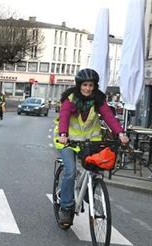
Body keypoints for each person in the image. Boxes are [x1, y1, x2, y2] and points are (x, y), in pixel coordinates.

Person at [54, 68, 129, 224]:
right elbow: (64, 117)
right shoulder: (70, 98)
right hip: (68, 141)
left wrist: (120, 133)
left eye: (91, 85)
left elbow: (109, 116)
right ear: (79, 85)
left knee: (95, 168)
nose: (88, 88)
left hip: (90, 142)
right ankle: (66, 207)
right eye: (85, 85)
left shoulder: (98, 99)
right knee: (70, 171)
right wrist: (63, 134)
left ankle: (89, 189)